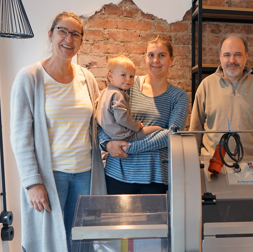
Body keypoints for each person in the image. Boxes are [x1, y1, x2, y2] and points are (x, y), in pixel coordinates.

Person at [9, 12, 106, 252]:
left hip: (86, 174)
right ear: (51, 34)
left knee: (81, 240)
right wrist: (32, 183)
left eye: (76, 34)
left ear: (81, 41)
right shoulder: (30, 77)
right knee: (49, 242)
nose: (68, 39)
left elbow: (97, 125)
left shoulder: (87, 78)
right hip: (51, 176)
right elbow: (20, 136)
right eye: (63, 31)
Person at [99, 35, 189, 194]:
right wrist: (106, 144)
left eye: (162, 55)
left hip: (155, 176)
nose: (156, 60)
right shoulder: (127, 85)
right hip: (118, 173)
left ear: (171, 60)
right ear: (145, 58)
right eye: (151, 55)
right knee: (118, 220)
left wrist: (128, 147)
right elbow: (102, 116)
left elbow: (171, 134)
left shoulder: (179, 97)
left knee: (155, 220)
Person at [189, 35, 253, 156]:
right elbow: (195, 131)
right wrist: (192, 165)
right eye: (227, 55)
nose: (232, 60)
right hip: (213, 166)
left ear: (246, 57)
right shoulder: (206, 86)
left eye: (238, 54)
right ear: (220, 57)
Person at [96, 56, 161, 145]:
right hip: (123, 136)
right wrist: (137, 126)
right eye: (123, 75)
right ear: (110, 76)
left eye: (131, 76)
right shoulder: (117, 94)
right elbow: (122, 118)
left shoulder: (104, 92)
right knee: (157, 129)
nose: (128, 79)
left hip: (110, 135)